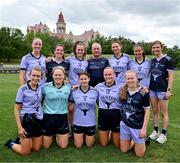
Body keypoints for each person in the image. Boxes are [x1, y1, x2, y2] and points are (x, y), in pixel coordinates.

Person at [4, 67, 44, 155]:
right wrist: (19, 127)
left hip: (38, 119)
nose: (35, 78)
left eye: (38, 76)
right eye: (33, 75)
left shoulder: (41, 87)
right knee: (25, 152)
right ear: (29, 75)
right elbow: (16, 109)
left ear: (41, 77)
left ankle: (21, 140)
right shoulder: (22, 89)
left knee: (36, 148)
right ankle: (10, 143)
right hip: (27, 120)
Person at [119, 70, 150, 157]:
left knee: (139, 154)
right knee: (124, 150)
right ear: (125, 80)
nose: (130, 80)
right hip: (124, 124)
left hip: (137, 125)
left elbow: (147, 111)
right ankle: (134, 139)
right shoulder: (123, 90)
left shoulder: (143, 92)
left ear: (136, 78)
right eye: (128, 78)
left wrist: (144, 128)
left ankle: (142, 138)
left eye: (132, 78)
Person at [148, 40, 174, 144]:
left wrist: (169, 90)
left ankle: (164, 134)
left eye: (157, 47)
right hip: (153, 89)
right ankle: (155, 131)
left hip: (163, 90)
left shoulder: (168, 60)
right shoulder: (152, 61)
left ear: (161, 48)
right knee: (154, 111)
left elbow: (171, 76)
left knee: (164, 113)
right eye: (154, 48)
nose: (155, 49)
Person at [42, 66, 71, 149]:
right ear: (52, 75)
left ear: (64, 76)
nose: (58, 76)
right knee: (46, 146)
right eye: (56, 75)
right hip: (48, 117)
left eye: (60, 75)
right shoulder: (45, 87)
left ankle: (57, 134)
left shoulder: (68, 87)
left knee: (63, 146)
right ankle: (52, 134)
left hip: (62, 117)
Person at [95, 67, 123, 148]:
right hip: (103, 114)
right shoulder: (98, 86)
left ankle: (135, 139)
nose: (108, 76)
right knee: (103, 144)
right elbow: (89, 92)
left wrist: (143, 88)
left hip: (116, 115)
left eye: (110, 74)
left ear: (114, 75)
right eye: (106, 75)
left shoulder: (120, 86)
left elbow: (133, 88)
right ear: (103, 76)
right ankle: (109, 132)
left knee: (117, 145)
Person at [69, 72, 98, 148]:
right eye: (81, 79)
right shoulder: (74, 91)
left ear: (89, 79)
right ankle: (78, 133)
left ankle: (88, 134)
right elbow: (70, 104)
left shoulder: (95, 91)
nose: (83, 81)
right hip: (78, 122)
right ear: (79, 80)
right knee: (78, 146)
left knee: (89, 145)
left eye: (85, 79)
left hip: (90, 122)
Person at [65, 41, 88, 137]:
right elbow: (61, 66)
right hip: (71, 89)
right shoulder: (69, 60)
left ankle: (81, 127)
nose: (80, 51)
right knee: (70, 110)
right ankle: (70, 127)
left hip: (82, 89)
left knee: (82, 109)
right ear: (75, 50)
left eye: (82, 49)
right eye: (78, 49)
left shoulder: (86, 62)